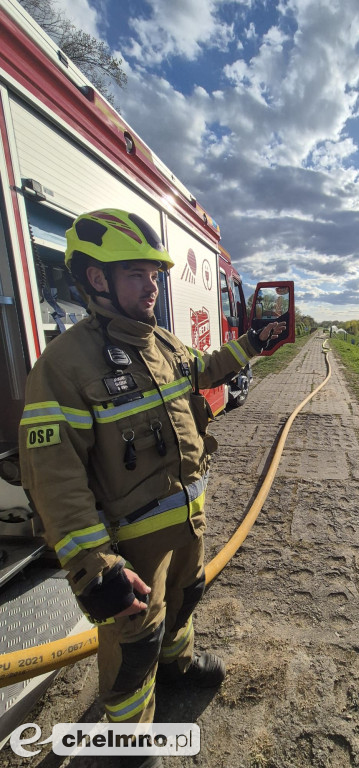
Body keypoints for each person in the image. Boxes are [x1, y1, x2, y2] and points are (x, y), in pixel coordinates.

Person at [18, 209, 286, 768]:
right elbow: (54, 478)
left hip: (187, 522)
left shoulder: (158, 341)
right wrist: (96, 567)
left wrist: (252, 345)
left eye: (156, 275)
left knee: (185, 599)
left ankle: (178, 667)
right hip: (130, 545)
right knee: (134, 644)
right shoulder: (62, 367)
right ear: (97, 278)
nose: (153, 286)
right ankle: (131, 742)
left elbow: (201, 370)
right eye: (137, 274)